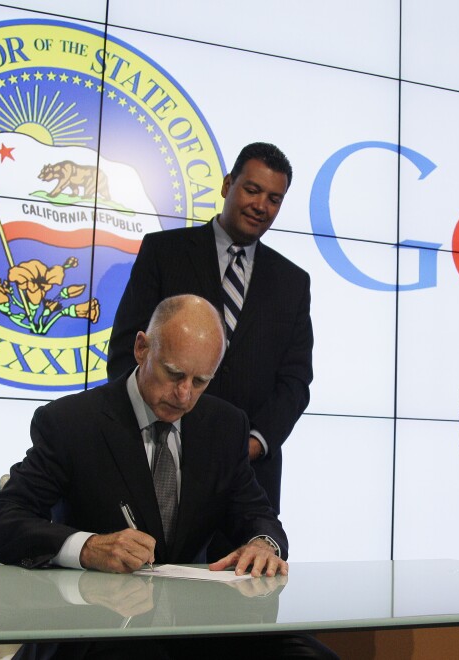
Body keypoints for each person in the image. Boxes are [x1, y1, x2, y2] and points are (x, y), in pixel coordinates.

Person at [0, 295, 334, 659]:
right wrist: (87, 548)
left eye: (201, 381)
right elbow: (0, 521)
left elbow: (257, 513)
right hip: (95, 627)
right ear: (141, 348)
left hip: (194, 628)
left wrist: (263, 544)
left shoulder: (225, 426)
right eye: (174, 374)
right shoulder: (72, 423)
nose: (184, 395)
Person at [107, 143, 313, 544]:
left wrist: (254, 443)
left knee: (248, 600)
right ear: (227, 185)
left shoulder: (293, 281)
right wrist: (156, 427)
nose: (261, 206)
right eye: (252, 190)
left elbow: (295, 381)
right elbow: (125, 353)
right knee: (150, 600)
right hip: (158, 463)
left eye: (274, 199)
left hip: (248, 483)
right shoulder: (163, 252)